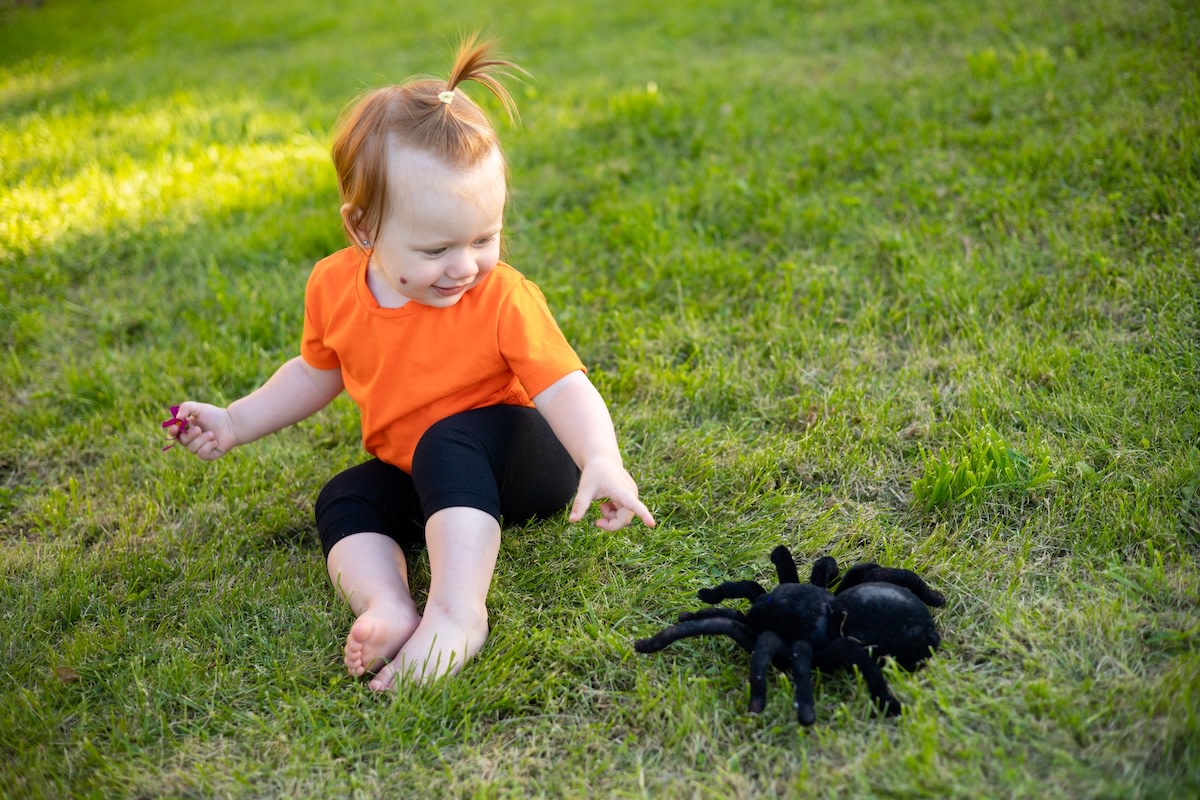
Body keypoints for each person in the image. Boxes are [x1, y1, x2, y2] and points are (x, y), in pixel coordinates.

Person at [166, 36, 656, 691]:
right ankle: (388, 604)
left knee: (446, 441)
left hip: (522, 458)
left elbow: (563, 385)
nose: (464, 266)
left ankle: (457, 615)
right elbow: (317, 372)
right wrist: (234, 421)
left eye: (484, 238)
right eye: (435, 248)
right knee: (347, 496)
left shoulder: (501, 296)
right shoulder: (334, 288)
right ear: (362, 229)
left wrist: (600, 457)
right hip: (424, 472)